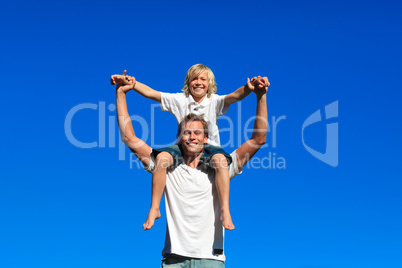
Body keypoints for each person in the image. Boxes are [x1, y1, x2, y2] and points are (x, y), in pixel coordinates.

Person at [114, 73, 269, 266]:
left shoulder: (221, 167)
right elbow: (129, 137)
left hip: (211, 259)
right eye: (187, 132)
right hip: (173, 259)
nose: (192, 136)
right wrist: (121, 93)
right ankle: (154, 209)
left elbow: (258, 139)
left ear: (206, 138)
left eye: (198, 133)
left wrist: (260, 95)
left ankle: (225, 210)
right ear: (179, 138)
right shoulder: (168, 168)